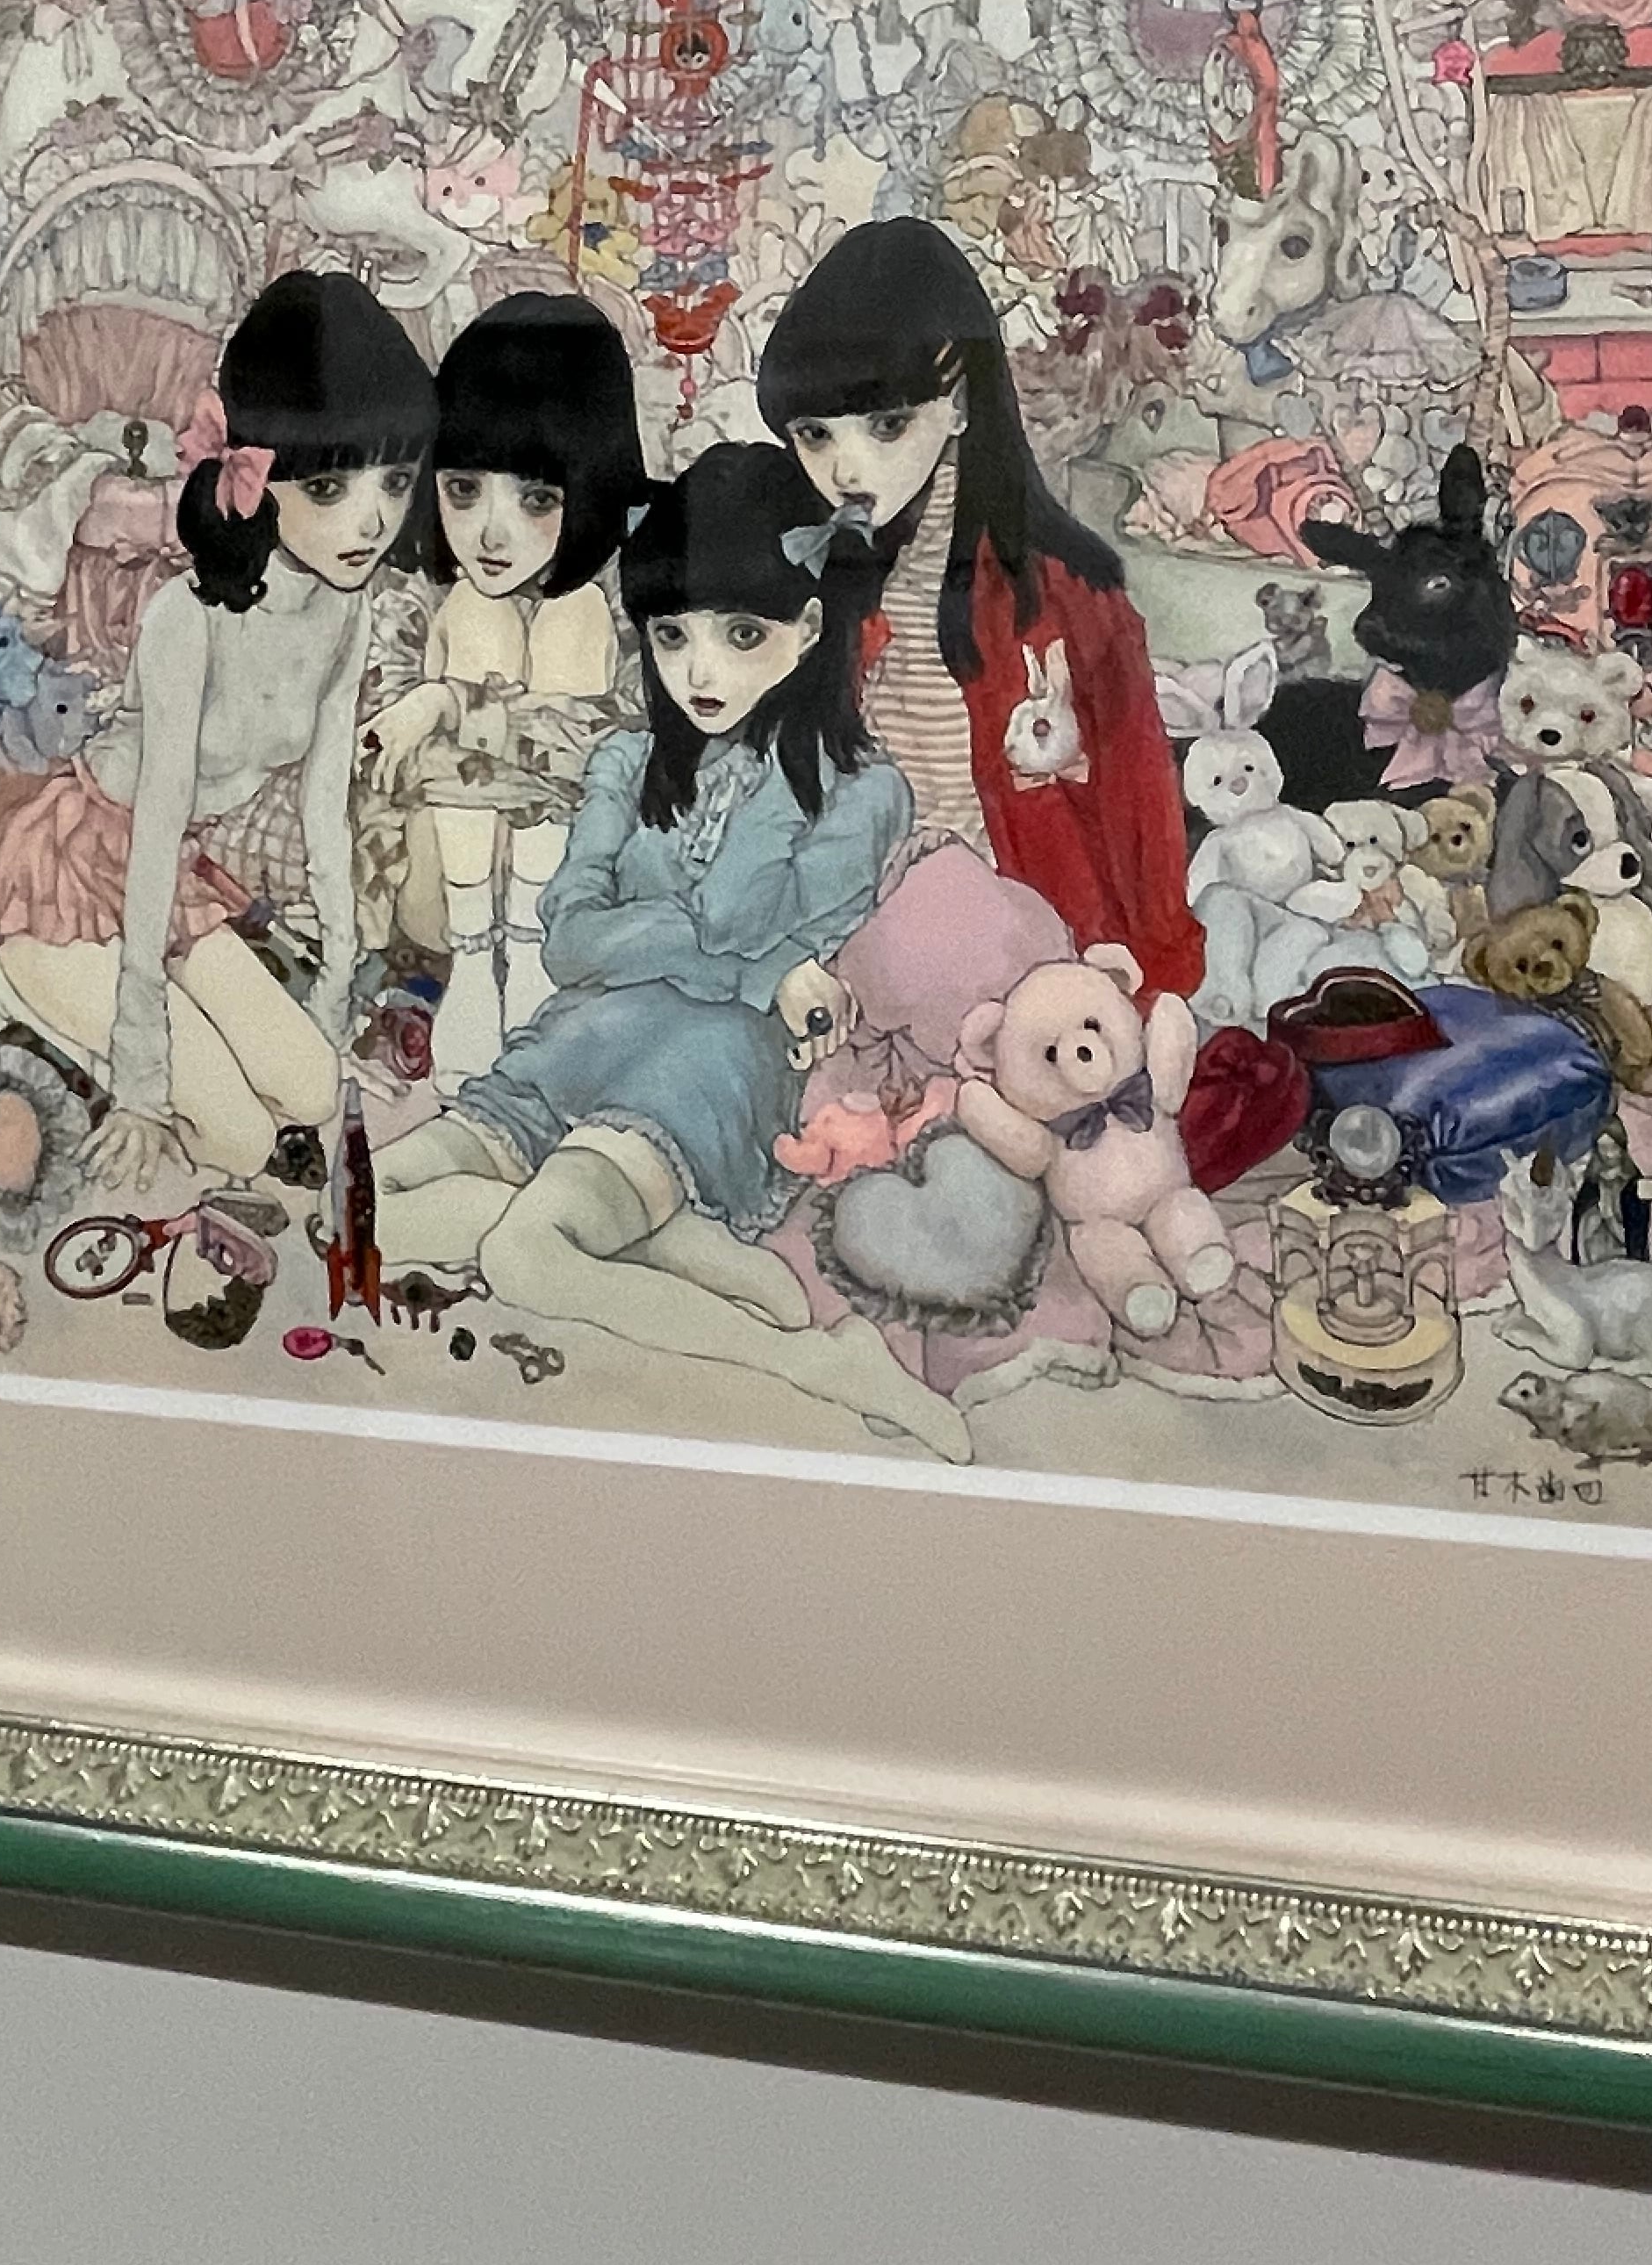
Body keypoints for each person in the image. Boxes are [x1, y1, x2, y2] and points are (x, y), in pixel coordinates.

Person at [370, 442, 966, 1463]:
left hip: (714, 1063)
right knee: (365, 1202)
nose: (700, 671)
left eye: (743, 634)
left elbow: (743, 918)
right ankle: (662, 1244)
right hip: (585, 1033)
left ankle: (822, 1364)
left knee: (525, 1256)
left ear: (808, 627)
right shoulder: (626, 759)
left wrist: (682, 925)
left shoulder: (864, 790)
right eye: (673, 634)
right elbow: (571, 939)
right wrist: (742, 965)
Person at [0, 270, 436, 1186]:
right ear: (257, 474)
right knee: (240, 1141)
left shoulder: (348, 609)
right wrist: (140, 1079)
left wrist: (338, 979)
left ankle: (122, 1021)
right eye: (330, 485)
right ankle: (8, 988)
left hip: (174, 879)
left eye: (397, 480)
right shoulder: (190, 618)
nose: (372, 520)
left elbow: (325, 807)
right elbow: (156, 820)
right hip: (79, 871)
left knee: (312, 1090)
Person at [755, 219, 1202, 997]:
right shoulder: (814, 579)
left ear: (960, 401)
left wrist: (1158, 980)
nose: (846, 468)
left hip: (1033, 951)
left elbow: (1140, 802)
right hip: (850, 946)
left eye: (887, 425)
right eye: (815, 435)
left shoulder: (1066, 592)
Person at [362, 294, 649, 1089]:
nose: (491, 532)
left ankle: (526, 955)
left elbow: (624, 742)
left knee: (570, 612)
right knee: (479, 613)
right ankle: (482, 960)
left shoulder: (622, 593)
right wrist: (482, 718)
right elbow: (384, 748)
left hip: (566, 890)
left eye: (536, 499)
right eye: (463, 491)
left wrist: (454, 704)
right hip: (438, 891)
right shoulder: (416, 592)